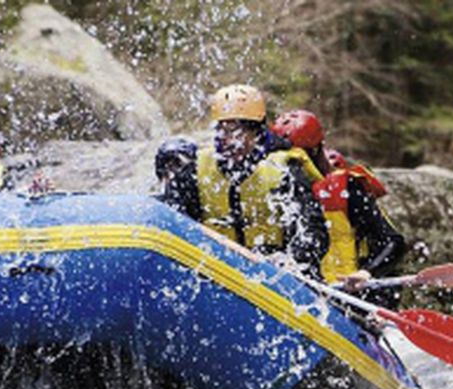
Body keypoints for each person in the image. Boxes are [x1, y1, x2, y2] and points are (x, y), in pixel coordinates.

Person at [165, 85, 328, 279]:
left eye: (233, 129)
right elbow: (172, 214)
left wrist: (290, 262)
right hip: (219, 273)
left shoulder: (284, 171)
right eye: (221, 128)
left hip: (272, 276)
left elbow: (314, 232)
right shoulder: (197, 168)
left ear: (255, 131)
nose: (224, 138)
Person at [270, 109, 407, 294]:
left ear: (315, 150)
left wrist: (367, 272)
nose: (290, 164)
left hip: (350, 295)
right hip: (304, 292)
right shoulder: (275, 186)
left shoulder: (346, 187)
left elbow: (394, 242)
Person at [155, 137, 200, 220]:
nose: (173, 174)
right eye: (166, 167)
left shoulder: (203, 197)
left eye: (177, 164)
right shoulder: (157, 204)